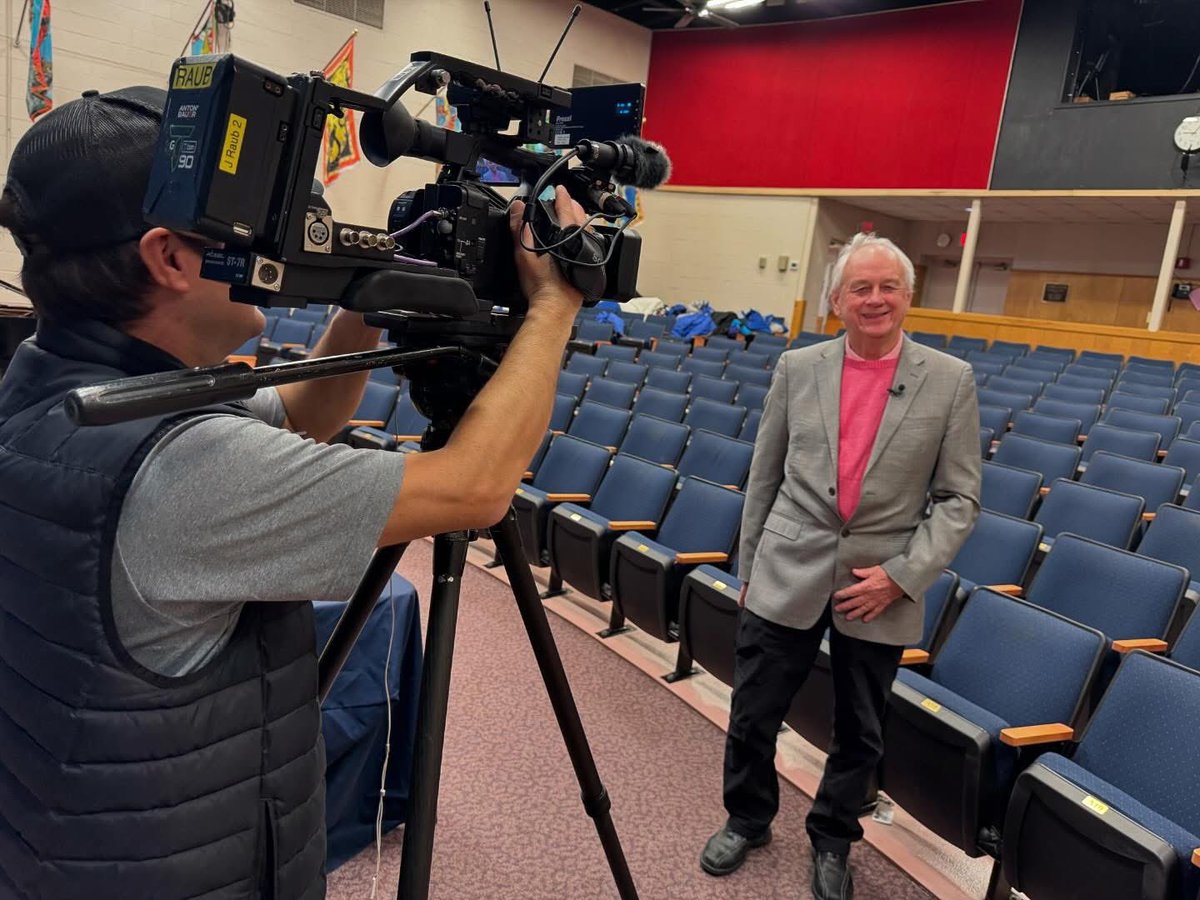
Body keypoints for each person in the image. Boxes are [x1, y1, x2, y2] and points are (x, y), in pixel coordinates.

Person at [0, 86, 584, 898]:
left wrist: (376, 286)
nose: (277, 250)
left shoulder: (59, 381)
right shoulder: (185, 469)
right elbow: (475, 488)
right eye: (254, 230)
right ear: (168, 258)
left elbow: (302, 415)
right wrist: (556, 303)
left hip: (75, 833)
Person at [700, 233, 981, 899]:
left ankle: (833, 839)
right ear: (836, 300)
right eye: (862, 288)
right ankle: (747, 817)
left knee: (860, 730)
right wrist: (751, 569)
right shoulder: (799, 369)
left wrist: (902, 576)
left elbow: (959, 499)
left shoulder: (950, 380)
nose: (875, 299)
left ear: (908, 297)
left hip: (877, 586)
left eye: (888, 287)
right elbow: (763, 476)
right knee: (754, 711)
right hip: (787, 569)